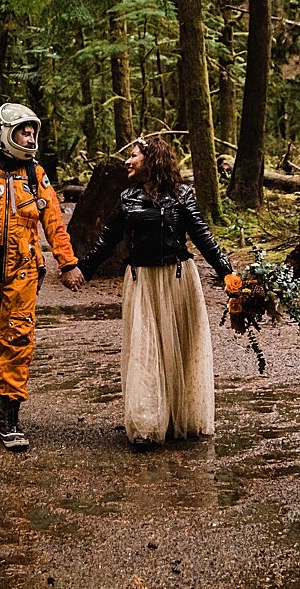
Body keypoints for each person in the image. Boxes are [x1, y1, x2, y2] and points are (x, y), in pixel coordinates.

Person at [77, 135, 236, 446]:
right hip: (142, 283)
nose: (127, 161)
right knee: (145, 348)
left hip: (178, 280)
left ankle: (180, 416)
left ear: (151, 161)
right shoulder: (127, 198)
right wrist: (81, 270)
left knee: (181, 347)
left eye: (134, 155)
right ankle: (148, 421)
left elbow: (203, 238)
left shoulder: (182, 196)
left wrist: (229, 274)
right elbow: (108, 239)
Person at [0, 103, 84, 451]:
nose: (30, 137)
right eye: (24, 131)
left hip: (23, 270)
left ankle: (10, 416)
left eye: (33, 132)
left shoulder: (36, 176)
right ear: (4, 133)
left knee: (18, 337)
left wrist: (67, 263)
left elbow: (54, 221)